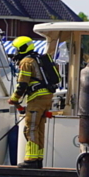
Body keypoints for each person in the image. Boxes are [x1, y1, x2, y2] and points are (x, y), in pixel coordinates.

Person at [8, 36, 54, 168]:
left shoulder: (27, 62)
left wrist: (14, 99)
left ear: (23, 48)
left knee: (30, 128)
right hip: (47, 98)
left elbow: (22, 84)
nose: (16, 53)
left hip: (37, 99)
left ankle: (31, 160)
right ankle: (39, 158)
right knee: (39, 128)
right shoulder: (38, 59)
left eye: (17, 50)